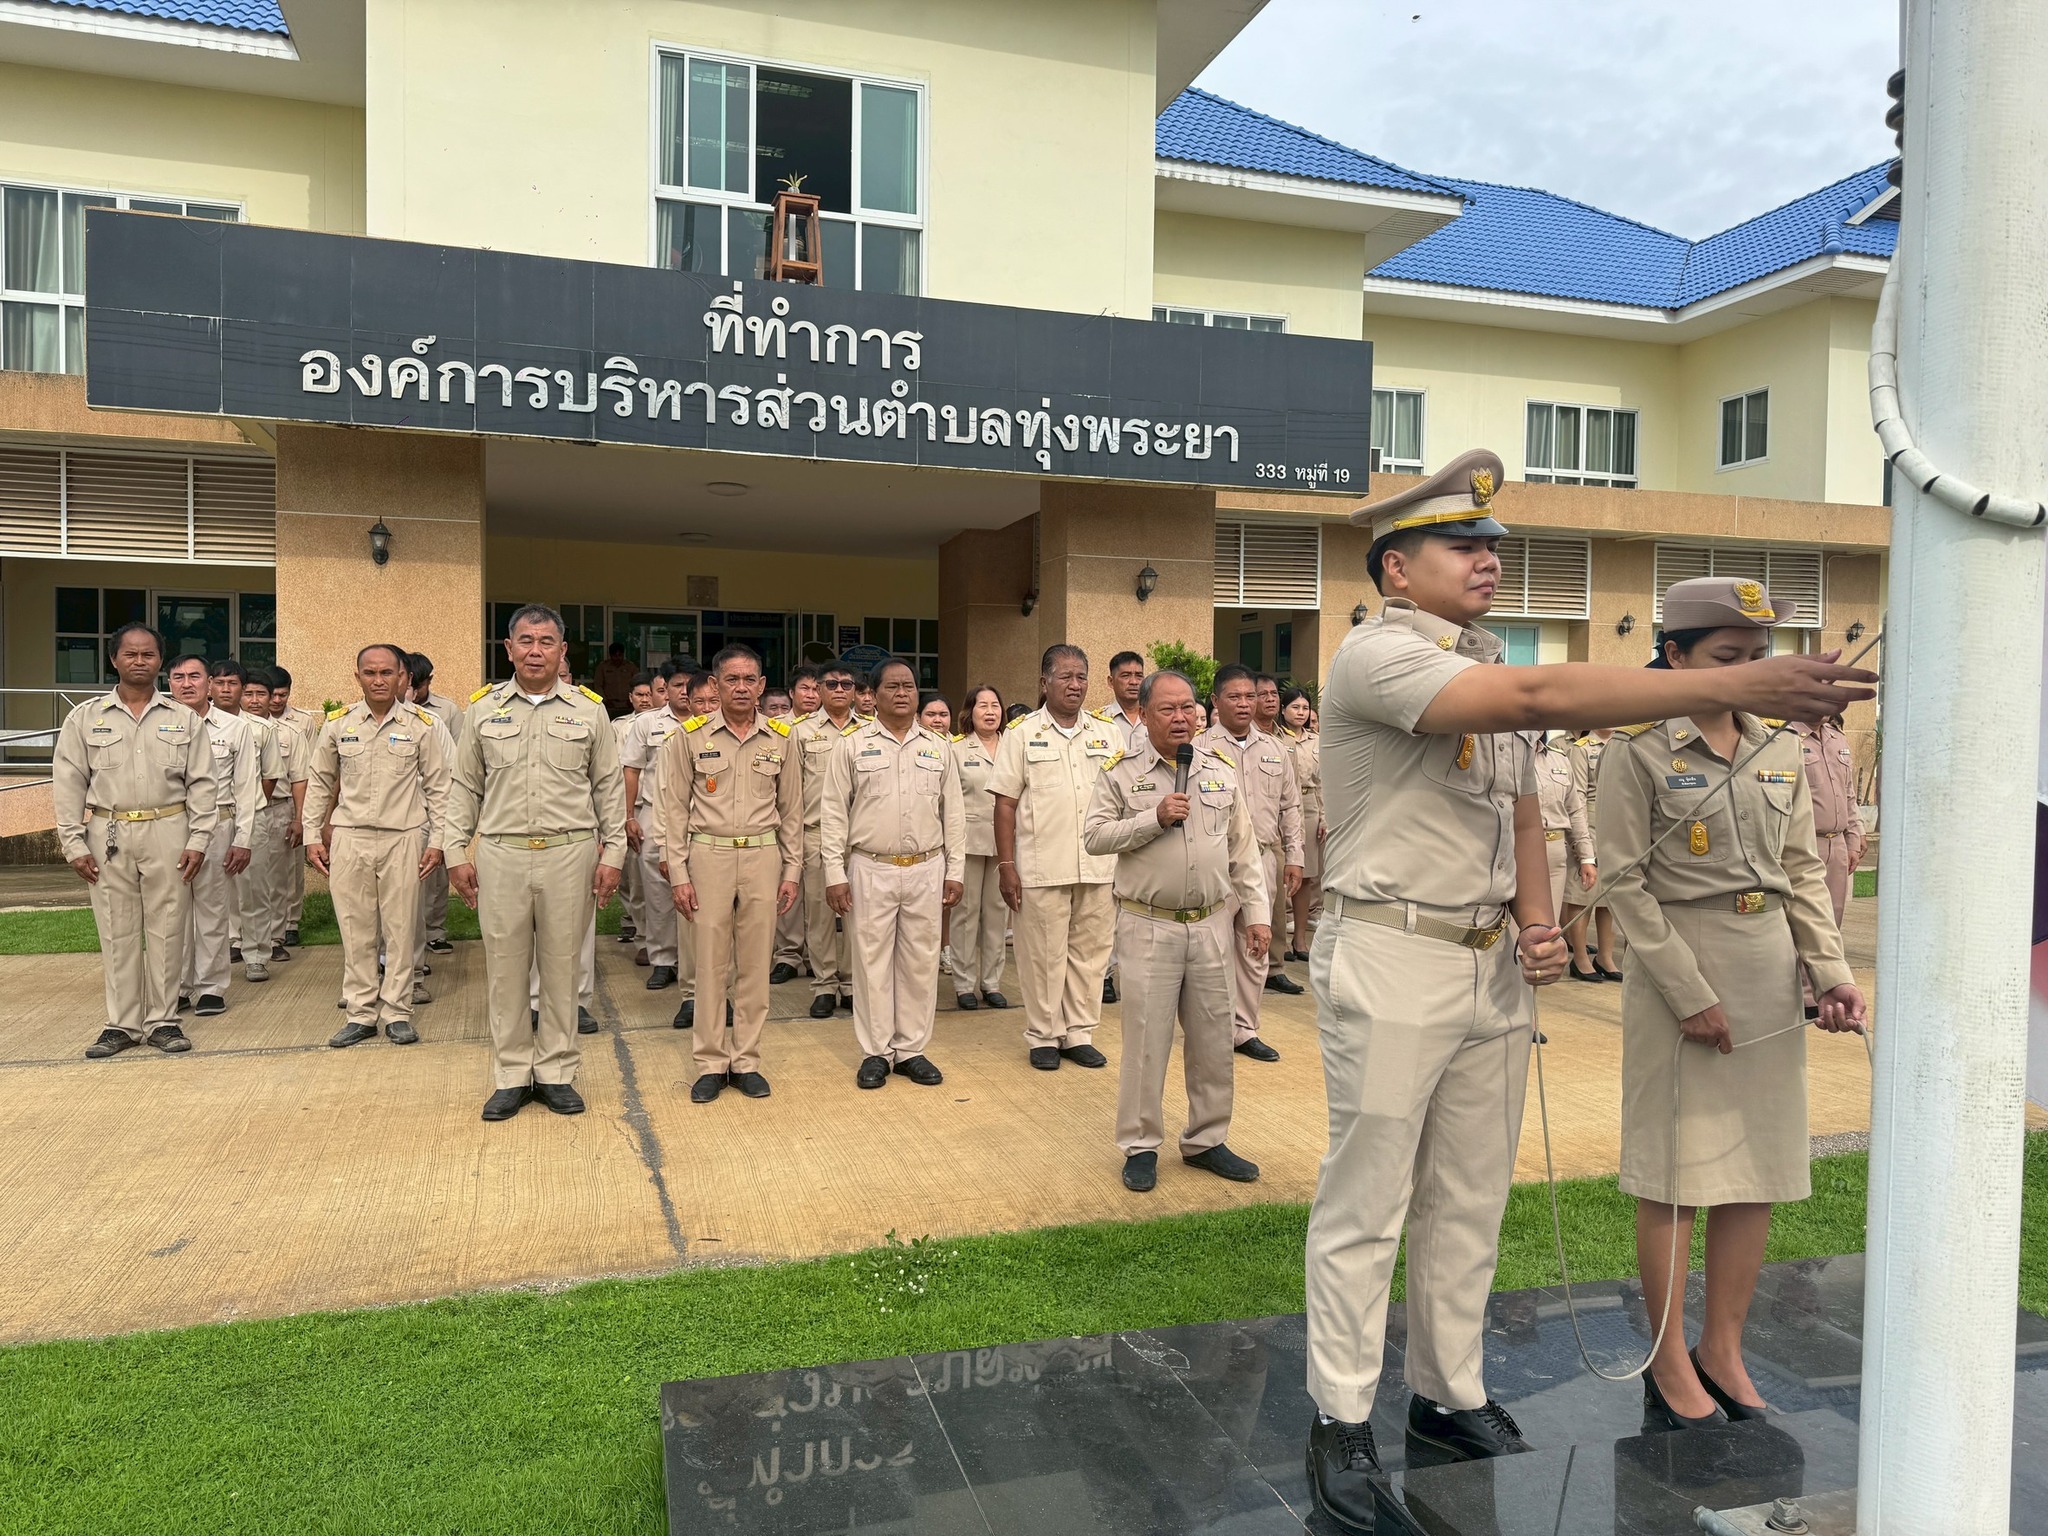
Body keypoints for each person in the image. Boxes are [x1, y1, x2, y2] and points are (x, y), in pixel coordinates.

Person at [1301, 449, 1875, 1529]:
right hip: (1393, 949)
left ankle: (1446, 1391)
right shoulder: (1378, 656)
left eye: (1491, 546)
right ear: (1395, 568)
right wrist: (1730, 683)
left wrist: (1534, 918)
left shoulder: (1479, 657)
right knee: (1367, 1200)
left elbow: (1519, 806)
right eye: (1460, 544)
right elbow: (1537, 695)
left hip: (1487, 959)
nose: (1486, 560)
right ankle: (1338, 1419)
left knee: (1470, 1192)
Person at [1599, 578, 1866, 1431]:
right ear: (1675, 656)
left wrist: (1829, 972)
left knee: (1757, 1166)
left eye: (1758, 656)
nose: (1750, 670)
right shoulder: (1639, 746)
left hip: (1765, 963)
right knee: (1676, 1171)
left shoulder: (1777, 744)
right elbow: (1623, 881)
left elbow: (1800, 871)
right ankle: (1667, 1356)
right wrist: (1688, 993)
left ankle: (1723, 1347)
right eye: (1728, 656)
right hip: (1681, 964)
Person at [1083, 669, 1269, 1192]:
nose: (1181, 717)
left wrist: (1257, 913)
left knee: (1213, 1040)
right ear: (1143, 714)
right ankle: (1141, 1145)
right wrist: (1154, 818)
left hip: (1210, 924)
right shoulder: (1121, 772)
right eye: (1168, 709)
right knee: (1147, 1041)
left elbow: (1243, 849)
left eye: (1188, 707)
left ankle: (1207, 1140)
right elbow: (1094, 836)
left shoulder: (1218, 770)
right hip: (1149, 925)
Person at [445, 604, 626, 1122]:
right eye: (525, 641)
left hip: (571, 853)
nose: (535, 651)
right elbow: (464, 786)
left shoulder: (589, 710)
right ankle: (510, 1075)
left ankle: (556, 1072)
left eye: (546, 642)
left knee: (563, 968)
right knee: (504, 969)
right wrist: (455, 851)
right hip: (502, 852)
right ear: (508, 649)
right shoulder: (483, 710)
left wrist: (614, 854)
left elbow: (609, 787)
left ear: (562, 650)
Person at [54, 623, 218, 1059]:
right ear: (114, 660)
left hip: (169, 828)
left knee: (168, 926)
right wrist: (73, 843)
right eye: (131, 654)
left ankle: (163, 1021)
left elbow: (203, 782)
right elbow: (68, 783)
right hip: (107, 831)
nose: (140, 661)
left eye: (148, 654)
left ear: (160, 661)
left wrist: (199, 838)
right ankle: (122, 1024)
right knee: (116, 928)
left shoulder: (183, 718)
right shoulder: (85, 718)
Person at [659, 644, 802, 1104]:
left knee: (756, 964)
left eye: (749, 679)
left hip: (762, 855)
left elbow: (792, 811)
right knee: (709, 963)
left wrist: (792, 869)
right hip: (709, 856)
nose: (741, 687)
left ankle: (746, 1061)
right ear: (714, 685)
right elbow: (674, 810)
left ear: (762, 686)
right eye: (731, 679)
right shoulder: (690, 737)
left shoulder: (782, 738)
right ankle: (710, 1062)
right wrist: (678, 873)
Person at [823, 658, 965, 1089]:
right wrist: (834, 872)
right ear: (873, 694)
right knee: (871, 964)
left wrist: (955, 870)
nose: (902, 693)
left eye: (909, 686)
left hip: (927, 867)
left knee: (920, 962)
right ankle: (876, 1052)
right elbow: (833, 812)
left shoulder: (939, 747)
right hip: (871, 867)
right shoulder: (852, 745)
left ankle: (911, 1050)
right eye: (892, 686)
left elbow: (954, 814)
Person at [303, 645, 452, 1049]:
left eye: (387, 672)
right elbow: (320, 782)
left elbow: (439, 787)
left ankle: (398, 1012)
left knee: (401, 928)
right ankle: (360, 1012)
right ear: (358, 677)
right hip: (350, 837)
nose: (379, 680)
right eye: (370, 673)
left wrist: (439, 841)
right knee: (356, 928)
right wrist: (312, 834)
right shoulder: (339, 724)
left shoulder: (421, 725)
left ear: (402, 677)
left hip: (403, 836)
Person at [989, 644, 1119, 1071]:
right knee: (1042, 957)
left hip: (1098, 866)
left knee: (1091, 956)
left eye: (1081, 676)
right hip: (1042, 867)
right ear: (1044, 683)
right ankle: (1044, 1034)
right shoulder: (1022, 733)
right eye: (1065, 676)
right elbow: (1005, 803)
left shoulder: (1108, 734)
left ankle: (1079, 1033)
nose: (1075, 684)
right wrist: (1007, 866)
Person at [1197, 664, 1304, 1062]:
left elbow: (1291, 806)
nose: (1244, 704)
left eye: (1250, 696)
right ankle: (1213, 1027)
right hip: (1215, 862)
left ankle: (1245, 1028)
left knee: (1254, 945)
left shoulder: (1275, 749)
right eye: (1234, 697)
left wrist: (1294, 856)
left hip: (1262, 859)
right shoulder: (1200, 748)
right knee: (1213, 949)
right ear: (1216, 701)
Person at [166, 656, 261, 1017]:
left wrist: (243, 839)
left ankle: (210, 987)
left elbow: (247, 788)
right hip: (170, 826)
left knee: (212, 910)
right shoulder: (159, 725)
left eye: (195, 676)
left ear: (208, 683)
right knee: (171, 912)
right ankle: (176, 987)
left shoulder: (235, 728)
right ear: (169, 683)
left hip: (218, 826)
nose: (187, 683)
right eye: (178, 677)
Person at [621, 662, 695, 993]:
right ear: (663, 689)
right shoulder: (647, 723)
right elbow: (631, 770)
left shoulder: (710, 720)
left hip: (699, 817)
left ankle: (694, 961)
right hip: (654, 814)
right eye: (675, 685)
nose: (683, 692)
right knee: (657, 890)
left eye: (689, 685)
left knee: (699, 889)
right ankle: (663, 960)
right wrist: (629, 816)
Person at [793, 663, 860, 1017]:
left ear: (855, 691)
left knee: (856, 916)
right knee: (819, 915)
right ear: (818, 689)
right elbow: (790, 793)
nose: (839, 690)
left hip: (859, 838)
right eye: (831, 684)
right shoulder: (800, 732)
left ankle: (850, 983)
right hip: (816, 835)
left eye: (846, 684)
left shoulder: (868, 730)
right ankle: (823, 985)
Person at [1788, 712, 1866, 1007]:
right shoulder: (1786, 737)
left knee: (1832, 918)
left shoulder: (1837, 738)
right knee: (1803, 917)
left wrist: (1854, 836)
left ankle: (1823, 986)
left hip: (1837, 842)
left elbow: (1849, 795)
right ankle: (1803, 996)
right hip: (1804, 843)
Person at [237, 671, 305, 980]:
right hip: (235, 811)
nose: (255, 700)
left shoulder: (289, 733)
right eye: (248, 693)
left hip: (275, 808)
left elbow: (300, 778)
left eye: (261, 694)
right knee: (238, 882)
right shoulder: (230, 728)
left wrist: (299, 818)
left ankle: (275, 937)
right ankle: (236, 939)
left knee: (276, 879)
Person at [949, 684, 1010, 1010]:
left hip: (1005, 843)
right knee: (966, 913)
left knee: (998, 914)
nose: (990, 711)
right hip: (969, 841)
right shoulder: (957, 749)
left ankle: (991, 982)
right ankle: (963, 984)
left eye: (995, 705)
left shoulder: (1013, 746)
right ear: (970, 712)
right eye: (982, 705)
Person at [408, 653, 462, 961]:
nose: (414, 692)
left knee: (435, 877)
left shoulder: (444, 713)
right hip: (401, 813)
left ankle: (435, 932)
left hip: (432, 807)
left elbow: (456, 761)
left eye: (419, 685)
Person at [266, 665, 320, 945]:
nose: (277, 700)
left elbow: (307, 770)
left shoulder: (301, 722)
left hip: (287, 801)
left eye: (283, 695)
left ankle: (290, 923)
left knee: (291, 868)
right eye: (272, 695)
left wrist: (304, 816)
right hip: (255, 806)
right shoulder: (245, 721)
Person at [1564, 726, 1623, 982]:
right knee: (1583, 896)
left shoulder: (1624, 743)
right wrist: (1583, 843)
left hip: (1619, 825)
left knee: (1610, 897)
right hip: (1591, 825)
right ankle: (1580, 957)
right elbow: (1576, 797)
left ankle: (1605, 957)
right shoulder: (1582, 749)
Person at [1277, 687, 1323, 962]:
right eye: (1295, 707)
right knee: (1281, 873)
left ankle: (1301, 940)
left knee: (1306, 876)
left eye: (1305, 708)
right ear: (1283, 710)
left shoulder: (1316, 741)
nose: (1301, 712)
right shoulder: (1274, 738)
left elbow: (1323, 782)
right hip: (1282, 806)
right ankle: (1281, 939)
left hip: (1309, 805)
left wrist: (1324, 816)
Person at [1534, 730, 1596, 924]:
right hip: (1516, 850)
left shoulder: (1558, 759)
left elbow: (1574, 811)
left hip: (1555, 853)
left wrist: (1587, 857)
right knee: (1517, 928)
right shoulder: (1506, 760)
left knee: (1549, 924)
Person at [1104, 650, 1147, 752]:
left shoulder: (1154, 717)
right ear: (1111, 682)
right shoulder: (1100, 721)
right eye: (1126, 676)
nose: (1134, 682)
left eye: (1139, 676)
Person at [593, 641, 638, 717]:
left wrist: (633, 699)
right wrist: (605, 701)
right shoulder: (603, 667)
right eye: (615, 655)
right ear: (610, 655)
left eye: (620, 655)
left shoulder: (631, 667)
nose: (617, 658)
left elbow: (637, 684)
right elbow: (598, 686)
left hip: (628, 705)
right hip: (609, 706)